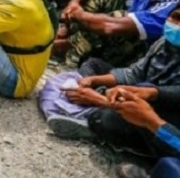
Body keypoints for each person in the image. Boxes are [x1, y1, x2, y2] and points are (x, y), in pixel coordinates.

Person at [42, 8, 180, 144]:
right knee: (94, 65)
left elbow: (168, 100)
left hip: (164, 113)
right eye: (176, 17)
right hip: (142, 92)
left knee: (109, 118)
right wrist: (93, 80)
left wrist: (102, 100)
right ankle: (88, 101)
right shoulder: (164, 42)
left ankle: (96, 119)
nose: (177, 26)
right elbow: (134, 74)